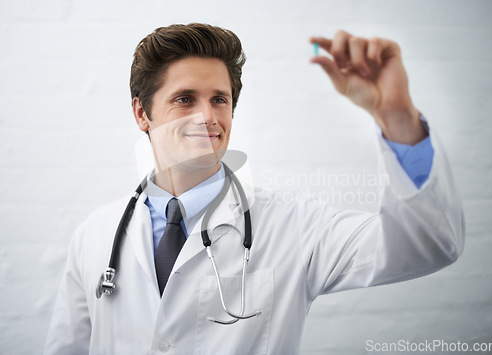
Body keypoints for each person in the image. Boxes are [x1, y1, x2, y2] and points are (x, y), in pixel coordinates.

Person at [44, 23, 465, 354]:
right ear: (142, 113)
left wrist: (397, 115)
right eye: (185, 99)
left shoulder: (297, 226)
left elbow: (429, 243)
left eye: (220, 99)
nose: (208, 116)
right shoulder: (94, 236)